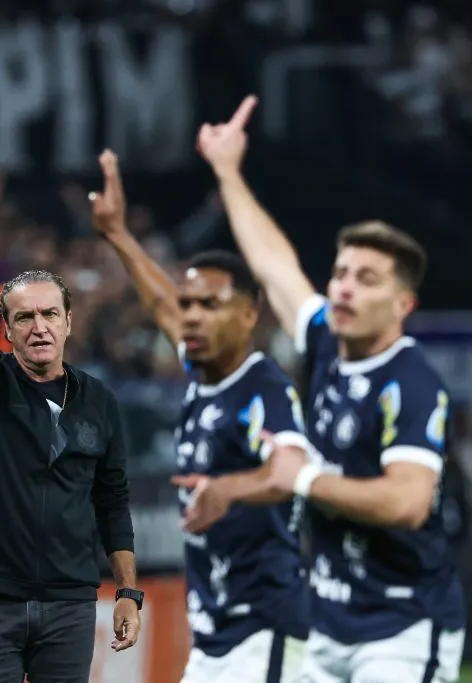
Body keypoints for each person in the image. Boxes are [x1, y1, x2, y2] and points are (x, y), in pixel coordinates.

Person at [197, 95, 466, 683]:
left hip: (401, 626)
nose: (342, 288)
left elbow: (408, 501)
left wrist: (305, 479)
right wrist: (227, 172)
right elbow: (273, 265)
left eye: (365, 279)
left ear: (401, 305)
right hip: (326, 622)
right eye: (341, 273)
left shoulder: (411, 382)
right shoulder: (324, 340)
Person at [91, 149, 309, 683]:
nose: (191, 316)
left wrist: (230, 489)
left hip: (263, 629)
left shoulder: (262, 389)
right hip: (215, 633)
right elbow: (164, 306)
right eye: (189, 305)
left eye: (210, 306)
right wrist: (118, 234)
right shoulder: (206, 375)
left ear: (248, 315)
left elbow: (292, 468)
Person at [0, 231, 141, 683]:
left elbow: (112, 501)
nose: (40, 327)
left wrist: (129, 590)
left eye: (50, 314)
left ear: (69, 322)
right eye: (25, 317)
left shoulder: (99, 400)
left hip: (69, 605)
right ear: (8, 329)